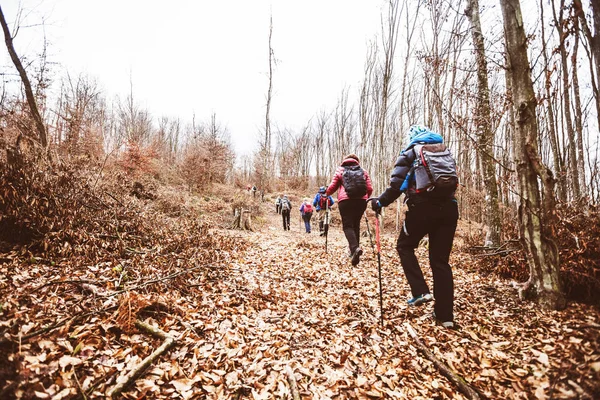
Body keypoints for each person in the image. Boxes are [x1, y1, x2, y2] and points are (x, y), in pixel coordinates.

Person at [370, 124, 459, 328]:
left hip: (422, 209)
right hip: (449, 210)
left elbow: (396, 187)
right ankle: (445, 317)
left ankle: (420, 291)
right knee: (440, 262)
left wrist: (379, 202)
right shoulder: (444, 151)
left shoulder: (410, 152)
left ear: (412, 137)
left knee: (404, 246)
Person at [325, 154, 373, 266]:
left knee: (348, 226)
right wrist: (365, 197)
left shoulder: (340, 170)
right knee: (356, 225)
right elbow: (369, 188)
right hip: (361, 201)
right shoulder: (363, 171)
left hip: (345, 201)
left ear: (345, 160)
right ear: (357, 161)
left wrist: (326, 193)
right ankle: (354, 252)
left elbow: (333, 186)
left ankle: (355, 249)